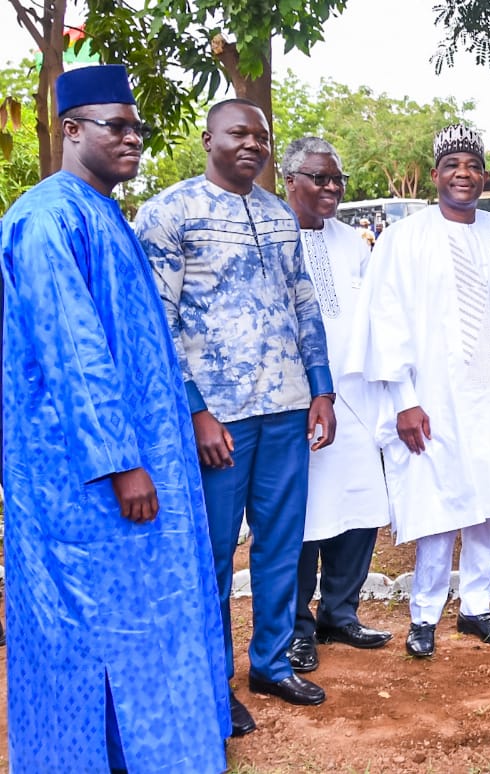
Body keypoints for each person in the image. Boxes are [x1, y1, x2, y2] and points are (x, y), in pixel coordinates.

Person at [1, 64, 229, 771]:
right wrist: (122, 463)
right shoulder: (47, 219)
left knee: (138, 621)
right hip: (85, 479)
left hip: (140, 460)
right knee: (92, 624)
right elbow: (73, 352)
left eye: (138, 127)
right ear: (71, 130)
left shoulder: (103, 212)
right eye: (116, 126)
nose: (133, 138)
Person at [135, 98, 337, 726]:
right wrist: (194, 411)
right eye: (238, 132)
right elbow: (155, 323)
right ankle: (212, 679)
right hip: (216, 418)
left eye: (262, 135)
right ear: (208, 139)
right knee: (214, 552)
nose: (252, 143)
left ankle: (272, 664)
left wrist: (322, 387)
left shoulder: (280, 214)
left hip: (285, 407)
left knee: (280, 545)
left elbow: (304, 304)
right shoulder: (170, 212)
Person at [348, 124, 490, 657]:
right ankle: (424, 614)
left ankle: (477, 607)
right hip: (430, 392)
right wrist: (403, 399)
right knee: (436, 499)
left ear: (482, 176)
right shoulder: (405, 237)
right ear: (436, 175)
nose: (464, 174)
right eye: (453, 164)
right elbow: (386, 319)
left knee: (489, 498)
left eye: (473, 165)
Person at [281, 137, 393, 674]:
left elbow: (376, 315)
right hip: (301, 400)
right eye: (319, 178)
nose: (330, 188)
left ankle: (339, 613)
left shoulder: (355, 242)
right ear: (289, 180)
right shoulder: (274, 237)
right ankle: (297, 628)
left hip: (359, 397)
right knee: (306, 517)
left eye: (336, 179)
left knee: (360, 508)